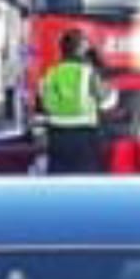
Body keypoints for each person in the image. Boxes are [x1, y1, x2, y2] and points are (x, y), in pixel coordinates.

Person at [41, 31, 112, 176]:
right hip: (84, 139)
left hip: (56, 139)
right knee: (86, 187)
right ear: (80, 49)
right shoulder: (88, 73)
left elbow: (42, 108)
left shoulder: (51, 73)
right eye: (86, 45)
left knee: (59, 186)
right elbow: (107, 103)